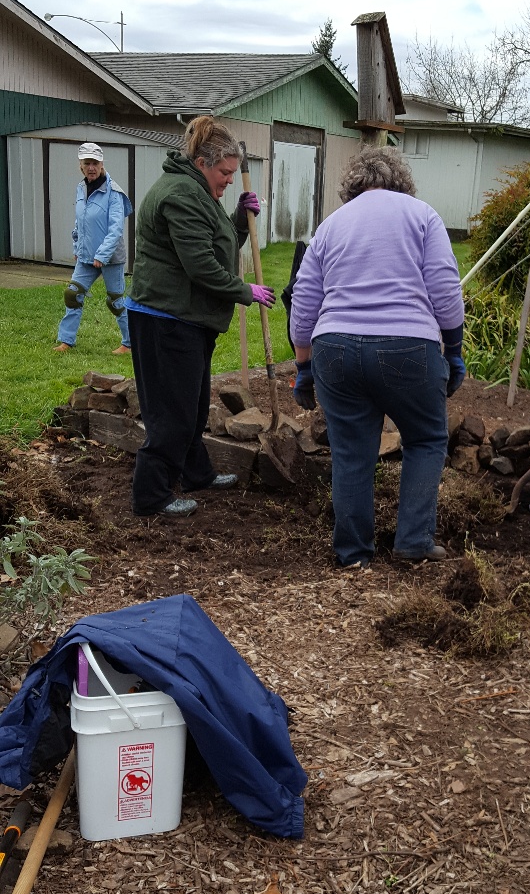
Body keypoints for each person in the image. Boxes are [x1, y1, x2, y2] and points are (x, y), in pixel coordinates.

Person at [290, 145, 465, 568]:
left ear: (353, 186)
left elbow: (303, 303)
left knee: (351, 451)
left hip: (335, 349)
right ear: (401, 182)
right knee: (425, 439)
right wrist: (454, 350)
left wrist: (303, 366)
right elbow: (444, 288)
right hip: (406, 346)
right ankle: (413, 542)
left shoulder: (330, 225)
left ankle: (352, 555)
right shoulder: (421, 214)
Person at [126, 115, 275, 518]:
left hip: (185, 319)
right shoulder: (180, 194)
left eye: (231, 173)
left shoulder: (196, 192)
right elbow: (202, 267)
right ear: (202, 162)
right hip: (164, 319)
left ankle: (196, 473)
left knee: (190, 408)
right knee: (171, 412)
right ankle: (151, 495)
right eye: (224, 172)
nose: (229, 180)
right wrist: (246, 292)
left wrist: (239, 221)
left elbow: (215, 243)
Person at [54, 142, 133, 354]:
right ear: (81, 165)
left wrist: (102, 255)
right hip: (86, 256)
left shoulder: (114, 193)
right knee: (72, 294)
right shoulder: (81, 189)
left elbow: (115, 229)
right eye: (87, 163)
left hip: (111, 257)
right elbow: (80, 222)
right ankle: (66, 341)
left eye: (95, 163)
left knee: (115, 301)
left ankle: (130, 343)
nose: (91, 167)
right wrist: (77, 246)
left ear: (101, 164)